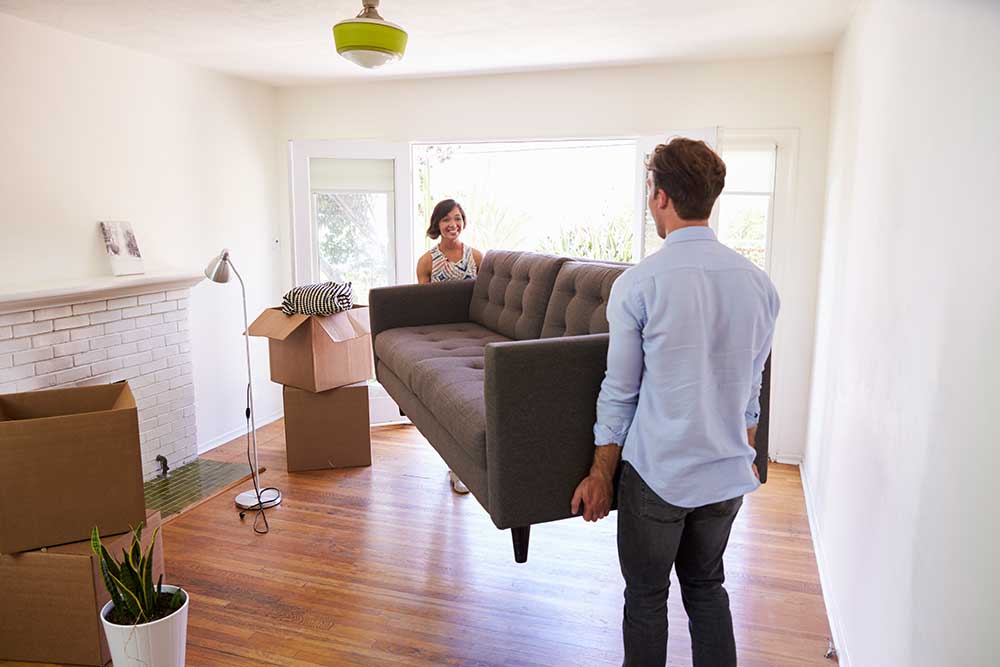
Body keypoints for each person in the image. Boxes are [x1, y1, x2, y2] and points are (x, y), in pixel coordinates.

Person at [570, 138, 779, 667]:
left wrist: (599, 474)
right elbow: (751, 390)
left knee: (646, 598)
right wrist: (743, 452)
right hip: (726, 475)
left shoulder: (640, 284)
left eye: (650, 191)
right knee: (707, 589)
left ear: (661, 197)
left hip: (658, 477)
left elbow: (620, 392)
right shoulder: (760, 286)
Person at [416, 199, 484, 494]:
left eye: (457, 218)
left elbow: (486, 300)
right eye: (446, 219)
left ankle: (464, 467)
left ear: (463, 222)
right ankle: (457, 467)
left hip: (473, 331)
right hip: (442, 334)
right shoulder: (427, 262)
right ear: (437, 224)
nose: (452, 224)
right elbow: (426, 305)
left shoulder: (477, 257)